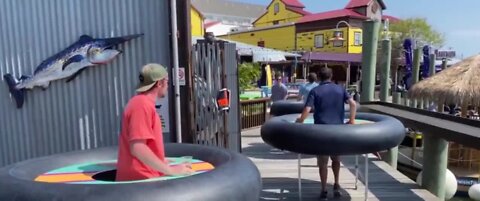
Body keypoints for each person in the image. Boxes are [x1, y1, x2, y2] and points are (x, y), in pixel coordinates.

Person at [116, 63, 193, 181]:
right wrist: (172, 171)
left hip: (145, 180)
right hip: (141, 183)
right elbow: (138, 148)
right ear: (159, 83)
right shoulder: (141, 105)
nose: (168, 85)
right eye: (166, 81)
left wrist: (162, 160)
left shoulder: (142, 104)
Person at [295, 67, 357, 200]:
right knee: (336, 160)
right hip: (337, 131)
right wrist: (351, 120)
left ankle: (323, 189)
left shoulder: (315, 90)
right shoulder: (340, 89)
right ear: (331, 76)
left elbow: (307, 109)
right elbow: (353, 104)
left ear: (319, 77)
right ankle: (336, 184)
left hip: (321, 132)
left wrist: (300, 120)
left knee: (322, 162)